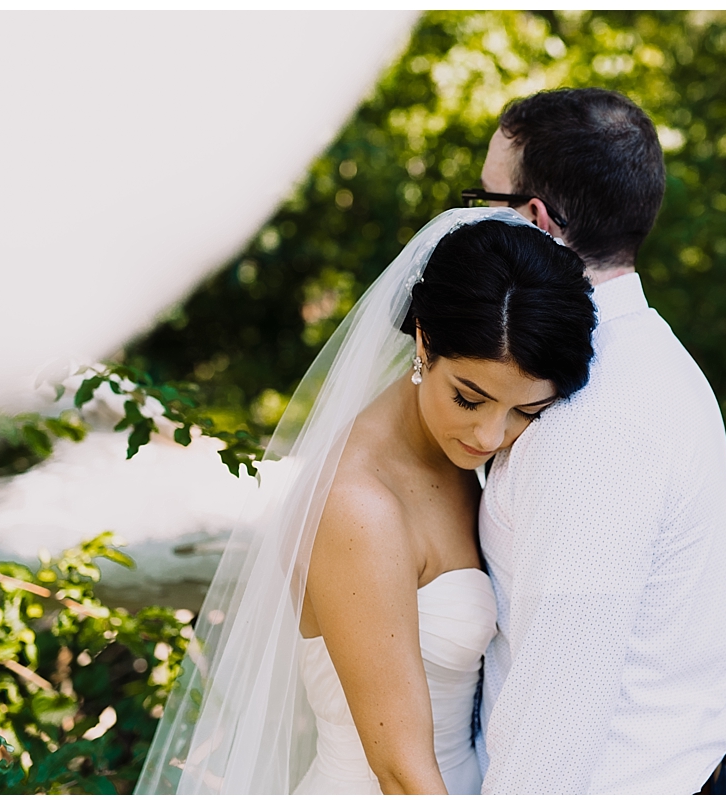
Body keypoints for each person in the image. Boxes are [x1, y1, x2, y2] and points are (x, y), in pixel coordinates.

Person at [134, 207, 596, 794]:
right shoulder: (357, 506)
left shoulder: (455, 455)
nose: (490, 437)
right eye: (469, 399)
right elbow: (400, 772)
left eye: (525, 412)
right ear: (423, 342)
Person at [467, 88, 726, 794]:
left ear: (535, 220)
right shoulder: (649, 352)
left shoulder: (591, 417)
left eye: (483, 198)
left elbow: (558, 707)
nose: (467, 220)